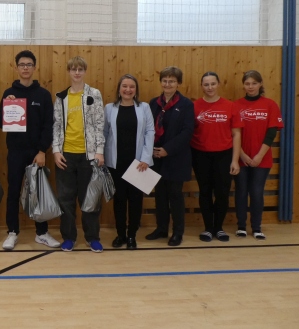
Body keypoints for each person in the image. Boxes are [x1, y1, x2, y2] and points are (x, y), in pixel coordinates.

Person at [0, 50, 59, 251]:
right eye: (22, 64)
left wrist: (42, 151)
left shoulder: (43, 94)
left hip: (36, 153)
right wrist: (8, 105)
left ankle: (42, 233)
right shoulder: (9, 93)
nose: (25, 68)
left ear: (34, 67)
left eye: (29, 64)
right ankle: (12, 232)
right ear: (16, 67)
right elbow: (1, 123)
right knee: (14, 192)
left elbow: (48, 125)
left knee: (38, 193)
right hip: (15, 151)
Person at [52, 56, 105, 253]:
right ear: (68, 71)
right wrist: (56, 151)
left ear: (84, 71)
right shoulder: (61, 97)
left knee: (90, 199)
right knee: (65, 199)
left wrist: (99, 152)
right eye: (73, 69)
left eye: (80, 69)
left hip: (89, 156)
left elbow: (99, 124)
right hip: (66, 155)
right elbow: (57, 125)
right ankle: (68, 237)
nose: (76, 72)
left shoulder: (94, 94)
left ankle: (92, 237)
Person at [103, 74, 154, 250]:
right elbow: (104, 133)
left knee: (135, 201)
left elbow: (149, 132)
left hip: (138, 164)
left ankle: (132, 235)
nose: (128, 89)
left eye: (132, 87)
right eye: (124, 86)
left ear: (136, 90)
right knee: (119, 201)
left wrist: (146, 158)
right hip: (115, 163)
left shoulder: (144, 107)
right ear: (119, 89)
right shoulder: (109, 108)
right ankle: (121, 235)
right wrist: (101, 156)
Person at [191, 72, 243, 243]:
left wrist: (235, 160)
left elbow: (236, 134)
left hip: (224, 156)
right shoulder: (194, 106)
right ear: (202, 86)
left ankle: (219, 228)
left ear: (219, 84)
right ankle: (208, 228)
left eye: (213, 84)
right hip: (200, 155)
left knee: (222, 193)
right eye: (206, 84)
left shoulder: (230, 106)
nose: (210, 87)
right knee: (205, 192)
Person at [145, 66, 194, 247]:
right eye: (165, 81)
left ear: (178, 83)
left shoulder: (186, 104)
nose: (168, 84)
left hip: (176, 157)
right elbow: (148, 128)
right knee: (160, 195)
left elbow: (187, 132)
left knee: (175, 195)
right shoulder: (153, 103)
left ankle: (177, 232)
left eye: (172, 81)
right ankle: (161, 228)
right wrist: (151, 149)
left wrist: (168, 149)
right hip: (156, 156)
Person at [235, 70, 283, 240]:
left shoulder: (270, 105)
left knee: (256, 192)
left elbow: (271, 133)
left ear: (260, 84)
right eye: (247, 83)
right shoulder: (236, 105)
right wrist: (241, 155)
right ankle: (241, 226)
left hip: (261, 158)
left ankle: (256, 227)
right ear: (243, 85)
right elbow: (233, 133)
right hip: (240, 158)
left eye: (254, 83)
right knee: (241, 191)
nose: (250, 87)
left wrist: (259, 156)